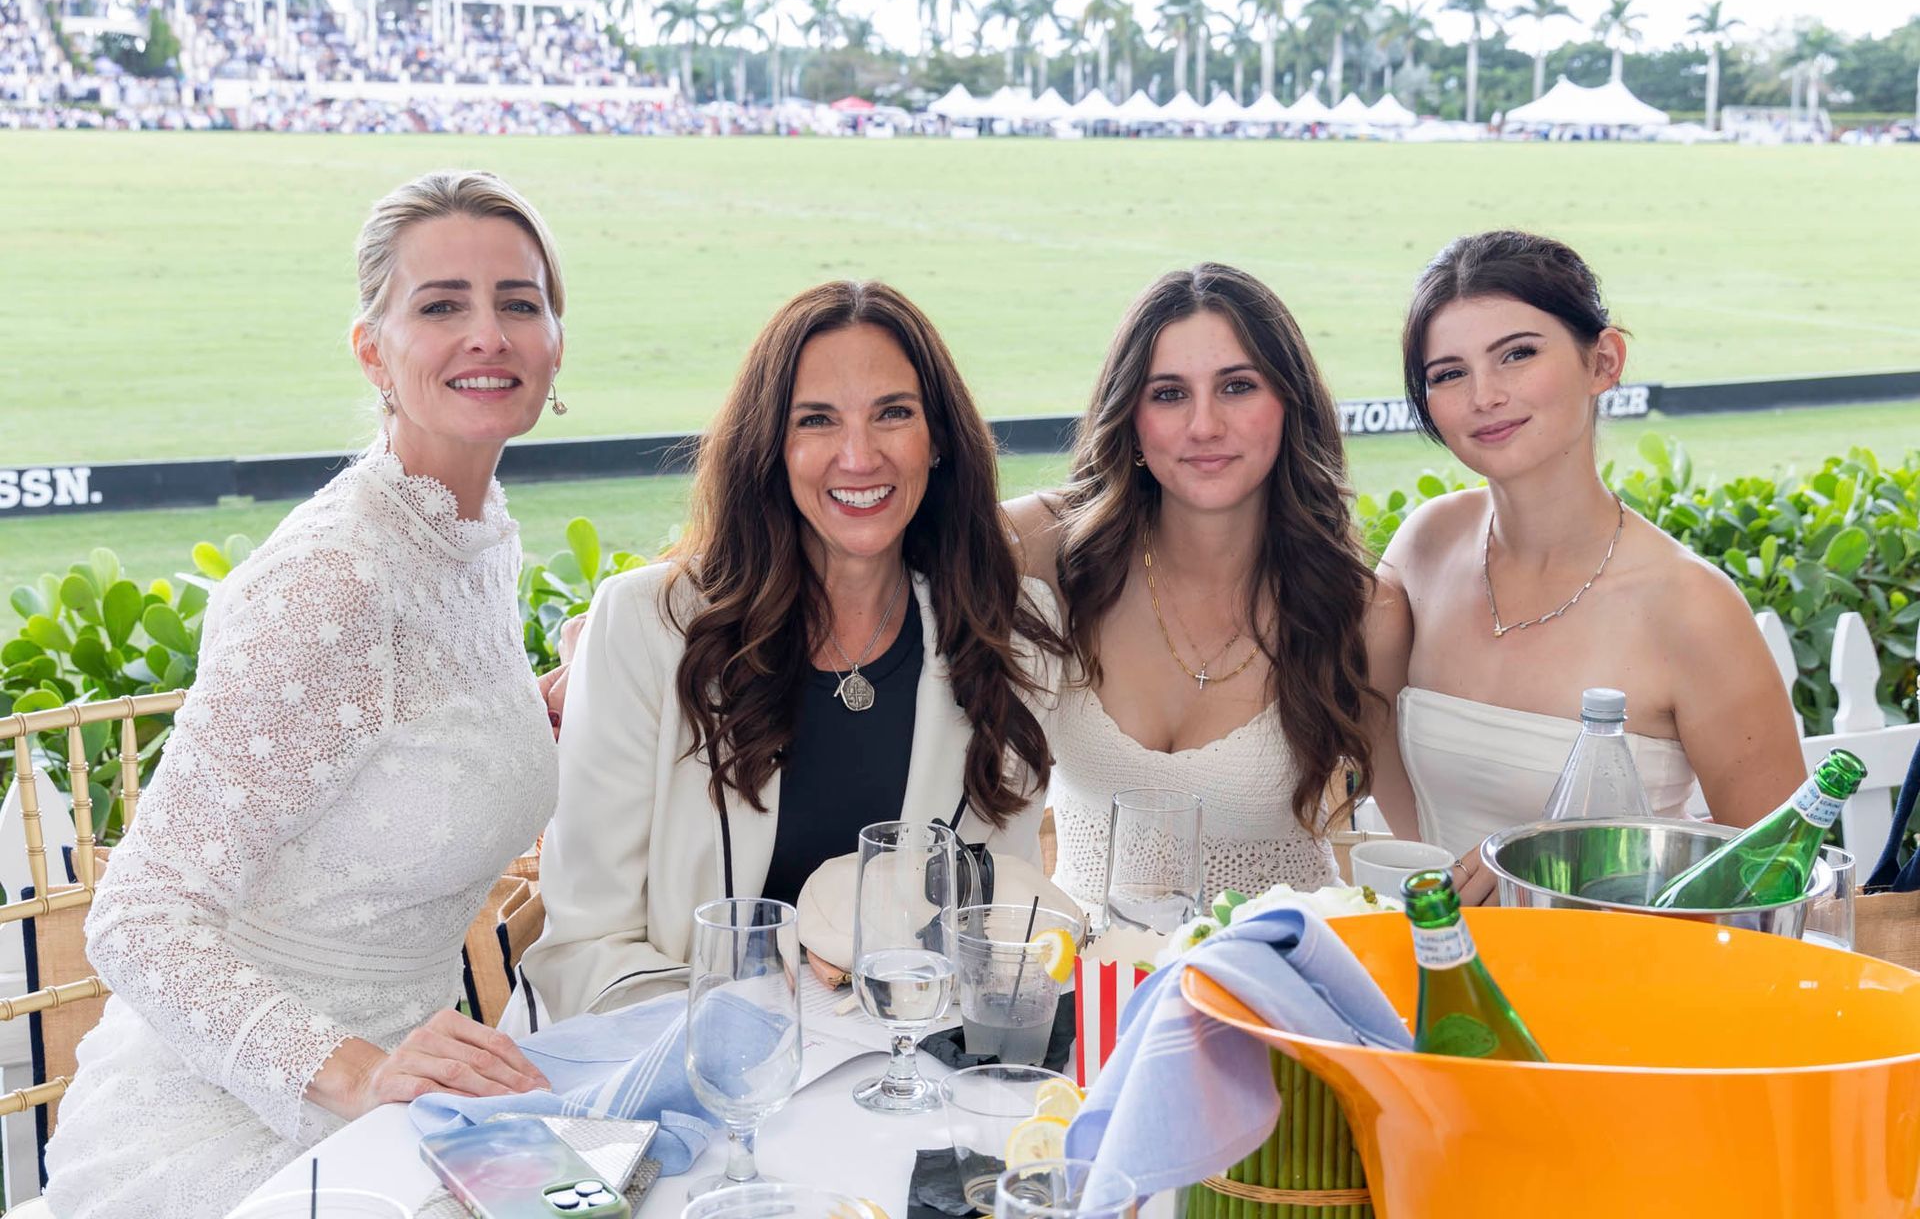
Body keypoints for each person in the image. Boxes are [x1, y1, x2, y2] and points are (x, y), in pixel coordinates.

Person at [44, 170, 565, 1217]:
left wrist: (562, 695)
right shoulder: (333, 578)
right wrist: (360, 1075)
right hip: (238, 1129)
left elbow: (409, 735)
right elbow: (138, 920)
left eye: (520, 301)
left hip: (421, 1102)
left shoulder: (467, 531)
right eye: (441, 305)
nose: (488, 333)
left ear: (558, 340)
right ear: (372, 350)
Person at [519, 280, 1064, 1022]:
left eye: (893, 414)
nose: (858, 454)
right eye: (816, 421)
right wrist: (757, 1046)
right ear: (771, 448)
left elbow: (995, 926)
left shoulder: (1011, 640)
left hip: (897, 1078)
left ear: (937, 440)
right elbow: (582, 950)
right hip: (678, 1077)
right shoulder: (643, 628)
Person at [1373, 230, 1802, 901]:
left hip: (1620, 982)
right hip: (1438, 969)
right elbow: (1374, 737)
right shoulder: (1425, 544)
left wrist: (1567, 882)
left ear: (1603, 362)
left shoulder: (1691, 607)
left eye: (1516, 354)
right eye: (1448, 373)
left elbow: (1780, 879)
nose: (1484, 395)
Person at [1005, 264, 1410, 912]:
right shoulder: (1052, 549)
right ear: (1131, 419)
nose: (1204, 426)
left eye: (1237, 387)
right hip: (1090, 985)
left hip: (1280, 983)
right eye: (1168, 394)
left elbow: (1420, 841)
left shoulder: (1363, 612)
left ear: (1289, 404)